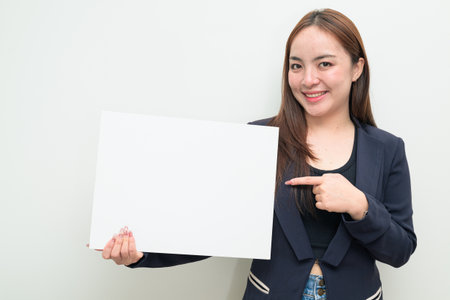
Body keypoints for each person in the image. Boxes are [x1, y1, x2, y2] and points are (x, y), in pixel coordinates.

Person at [100, 8, 416, 300]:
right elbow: (213, 229)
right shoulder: (260, 139)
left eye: (325, 63)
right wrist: (141, 255)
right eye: (296, 65)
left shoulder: (387, 149)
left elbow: (400, 250)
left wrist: (360, 205)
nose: (308, 79)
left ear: (356, 68)